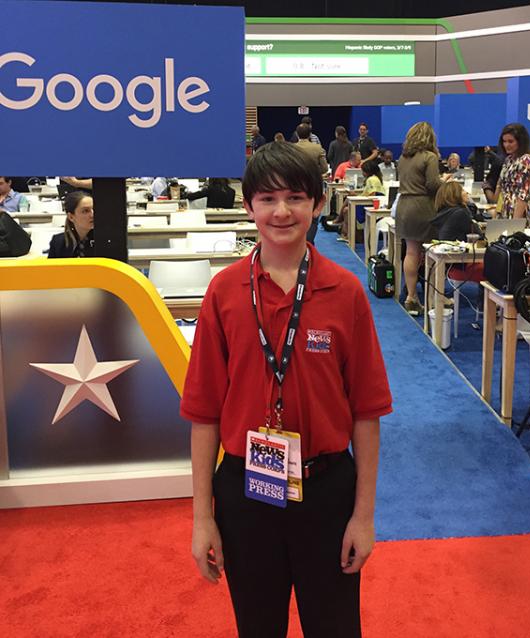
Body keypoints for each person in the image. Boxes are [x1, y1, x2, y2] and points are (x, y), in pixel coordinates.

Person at [181, 140, 392, 638]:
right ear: (248, 205)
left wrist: (364, 517)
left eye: (296, 197)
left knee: (335, 627)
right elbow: (205, 413)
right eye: (268, 198)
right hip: (246, 490)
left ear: (318, 204)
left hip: (326, 490)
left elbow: (366, 412)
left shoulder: (344, 291)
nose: (282, 211)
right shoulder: (224, 292)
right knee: (257, 627)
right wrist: (200, 518)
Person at [395, 121, 445, 316]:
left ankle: (411, 296)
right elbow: (433, 185)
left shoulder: (403, 157)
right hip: (423, 207)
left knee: (411, 252)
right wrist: (446, 183)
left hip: (404, 206)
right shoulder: (430, 157)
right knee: (432, 254)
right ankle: (434, 297)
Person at [494, 123, 530, 220]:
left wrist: (515, 223)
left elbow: (523, 195)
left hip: (517, 213)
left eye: (510, 141)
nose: (506, 145)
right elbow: (502, 190)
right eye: (504, 141)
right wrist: (497, 212)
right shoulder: (508, 160)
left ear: (520, 142)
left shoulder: (526, 161)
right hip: (504, 211)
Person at [336, 160, 384, 241]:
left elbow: (372, 195)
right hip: (367, 202)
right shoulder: (375, 178)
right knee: (347, 204)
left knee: (347, 208)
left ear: (367, 171)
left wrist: (355, 196)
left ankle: (341, 224)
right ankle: (344, 231)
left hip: (369, 205)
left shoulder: (371, 179)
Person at [48, 191, 94, 258]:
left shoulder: (106, 240)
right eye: (85, 211)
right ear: (71, 217)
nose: (92, 215)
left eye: (94, 209)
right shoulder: (58, 242)